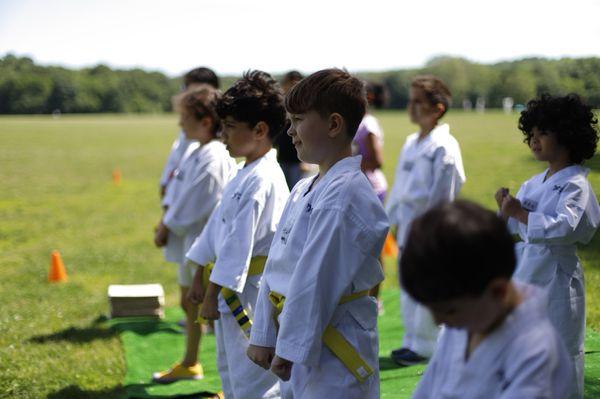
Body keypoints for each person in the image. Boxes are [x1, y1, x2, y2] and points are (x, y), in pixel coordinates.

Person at [247, 68, 389, 398]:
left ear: (334, 124)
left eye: (298, 120)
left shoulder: (345, 196)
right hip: (300, 336)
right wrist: (265, 334)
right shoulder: (303, 188)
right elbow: (276, 264)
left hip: (337, 347)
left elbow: (316, 277)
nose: (290, 131)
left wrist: (287, 347)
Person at [402, 200, 572, 399]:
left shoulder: (535, 352)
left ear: (498, 291)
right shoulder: (466, 319)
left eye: (448, 310)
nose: (437, 321)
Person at [186, 71, 289, 399]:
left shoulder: (262, 179)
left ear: (259, 130)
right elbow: (218, 226)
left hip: (252, 293)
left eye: (230, 126)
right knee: (230, 369)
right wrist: (200, 273)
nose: (223, 134)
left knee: (253, 379)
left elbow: (237, 244)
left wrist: (213, 289)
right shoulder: (244, 172)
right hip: (234, 288)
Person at [495, 93, 600, 398]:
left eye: (543, 133)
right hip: (528, 271)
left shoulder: (575, 185)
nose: (534, 140)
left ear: (566, 135)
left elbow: (567, 226)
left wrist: (519, 212)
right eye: (531, 134)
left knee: (560, 346)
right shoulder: (535, 182)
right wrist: (505, 209)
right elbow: (518, 226)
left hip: (558, 277)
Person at [152, 85, 236, 382]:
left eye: (185, 117)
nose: (180, 123)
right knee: (190, 304)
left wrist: (167, 225)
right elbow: (180, 192)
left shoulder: (213, 156)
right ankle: (190, 362)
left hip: (204, 246)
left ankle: (229, 378)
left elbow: (196, 202)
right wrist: (167, 219)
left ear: (205, 122)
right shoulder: (198, 151)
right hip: (192, 242)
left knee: (213, 312)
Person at [385, 75, 466, 366]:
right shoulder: (411, 142)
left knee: (429, 287)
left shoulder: (444, 147)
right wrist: (387, 222)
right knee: (409, 284)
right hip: (407, 225)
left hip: (431, 228)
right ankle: (412, 342)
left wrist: (431, 229)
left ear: (438, 108)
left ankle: (430, 347)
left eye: (418, 102)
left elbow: (445, 192)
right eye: (410, 101)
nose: (411, 107)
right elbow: (399, 189)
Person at [352, 82, 388, 313]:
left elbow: (377, 160)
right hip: (360, 189)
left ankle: (375, 300)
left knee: (372, 249)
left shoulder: (368, 124)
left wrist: (344, 162)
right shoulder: (359, 122)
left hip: (372, 190)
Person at [159, 67, 220, 198]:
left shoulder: (216, 151)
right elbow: (175, 161)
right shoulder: (186, 133)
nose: (189, 99)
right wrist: (165, 184)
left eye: (197, 94)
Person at [275, 71, 307, 189]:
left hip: (298, 161)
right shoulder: (280, 106)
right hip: (282, 158)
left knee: (296, 191)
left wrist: (305, 162)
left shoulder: (304, 106)